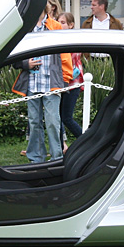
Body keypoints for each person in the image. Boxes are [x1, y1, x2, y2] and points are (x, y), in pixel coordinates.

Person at [12, 10, 72, 163]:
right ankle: (35, 158)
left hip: (52, 83)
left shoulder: (56, 26)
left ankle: (57, 157)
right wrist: (26, 64)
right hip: (32, 83)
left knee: (53, 121)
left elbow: (65, 55)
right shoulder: (25, 27)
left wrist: (65, 80)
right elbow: (15, 55)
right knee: (34, 121)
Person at [57, 11, 84, 143]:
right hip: (62, 82)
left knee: (66, 118)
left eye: (63, 23)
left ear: (71, 24)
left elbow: (71, 64)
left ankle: (85, 140)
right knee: (59, 117)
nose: (59, 25)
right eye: (58, 22)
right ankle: (61, 145)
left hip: (72, 83)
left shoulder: (72, 41)